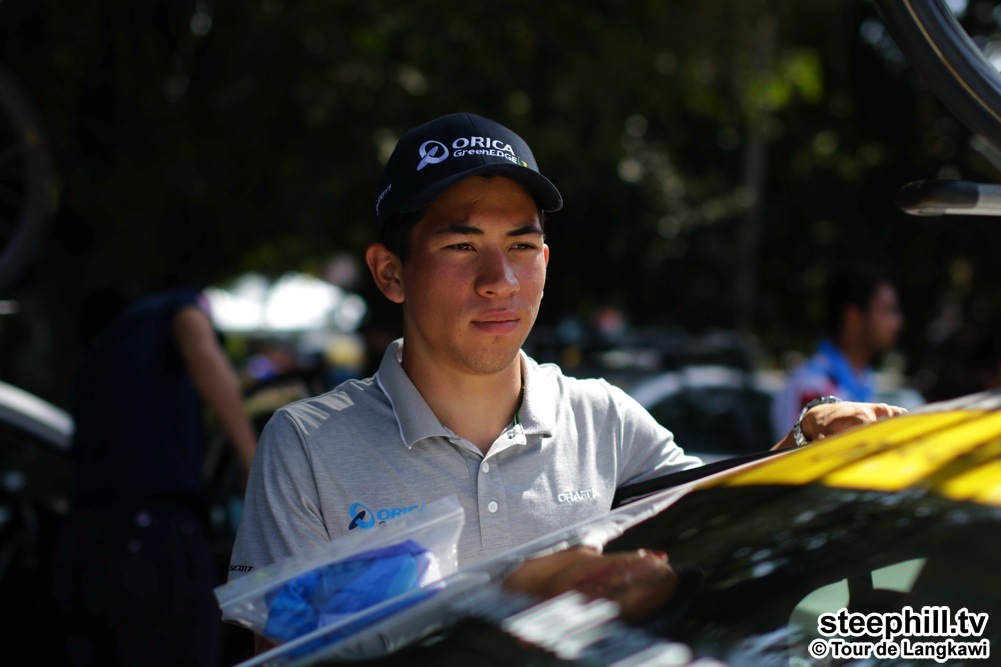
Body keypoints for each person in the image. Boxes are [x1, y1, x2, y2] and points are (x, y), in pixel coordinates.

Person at [228, 113, 906, 651]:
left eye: (521, 246)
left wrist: (805, 441)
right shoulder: (307, 446)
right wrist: (517, 597)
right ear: (390, 272)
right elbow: (281, 655)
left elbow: (726, 522)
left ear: (545, 262)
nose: (500, 280)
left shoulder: (604, 420)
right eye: (461, 245)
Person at [54, 286, 258, 667]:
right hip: (152, 537)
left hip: (82, 548)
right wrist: (253, 459)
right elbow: (201, 349)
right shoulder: (171, 309)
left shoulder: (90, 371)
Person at [771, 263, 904, 440]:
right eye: (887, 311)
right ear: (853, 317)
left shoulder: (863, 381)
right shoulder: (810, 385)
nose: (897, 322)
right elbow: (792, 454)